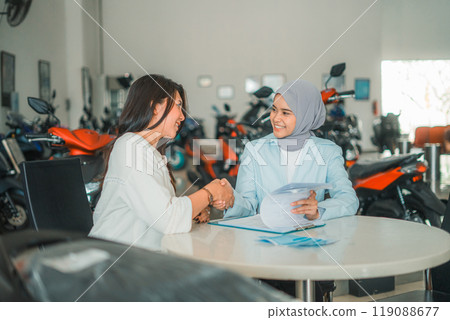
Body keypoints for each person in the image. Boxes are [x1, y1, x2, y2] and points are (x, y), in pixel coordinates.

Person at [220, 79, 359, 300]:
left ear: (306, 115)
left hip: (312, 251)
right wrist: (229, 200)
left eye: (286, 112)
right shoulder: (255, 150)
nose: (275, 118)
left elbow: (348, 199)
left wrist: (319, 210)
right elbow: (247, 203)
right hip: (267, 253)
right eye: (274, 110)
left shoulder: (327, 151)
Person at [89, 75, 234, 250]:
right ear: (154, 106)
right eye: (178, 106)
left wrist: (194, 209)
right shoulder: (131, 147)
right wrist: (210, 193)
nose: (182, 117)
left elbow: (160, 207)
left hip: (140, 259)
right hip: (117, 262)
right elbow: (167, 219)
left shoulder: (149, 150)